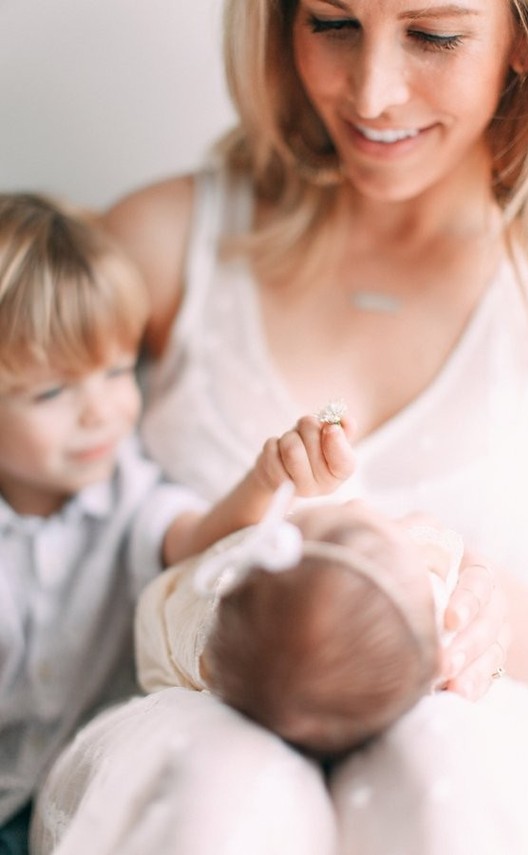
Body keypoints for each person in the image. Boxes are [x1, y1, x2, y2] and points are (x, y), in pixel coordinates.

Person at [31, 0, 528, 851]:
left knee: (450, 764)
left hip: (486, 766)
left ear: (527, 42)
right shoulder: (168, 245)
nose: (372, 93)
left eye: (433, 36)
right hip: (178, 756)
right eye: (330, 22)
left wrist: (479, 611)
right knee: (223, 778)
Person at [0, 192, 358, 854]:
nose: (102, 410)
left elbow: (197, 538)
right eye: (53, 391)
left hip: (61, 810)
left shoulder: (127, 490)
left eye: (116, 370)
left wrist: (265, 478)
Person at [138, 495, 464, 760]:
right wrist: (423, 540)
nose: (357, 503)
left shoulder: (210, 631)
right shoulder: (423, 630)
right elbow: (440, 547)